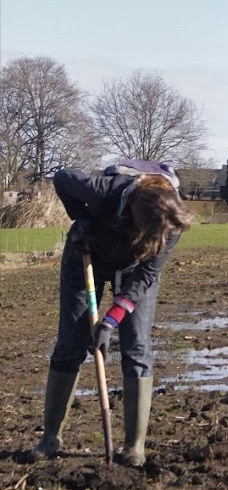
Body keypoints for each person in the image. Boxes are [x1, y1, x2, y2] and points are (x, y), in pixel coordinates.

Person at [26, 162, 192, 466]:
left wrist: (111, 320)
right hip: (85, 253)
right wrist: (82, 218)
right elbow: (62, 176)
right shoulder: (102, 190)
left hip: (134, 270)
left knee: (137, 346)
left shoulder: (171, 221)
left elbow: (144, 278)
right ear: (135, 218)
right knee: (70, 343)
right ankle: (50, 439)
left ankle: (134, 448)